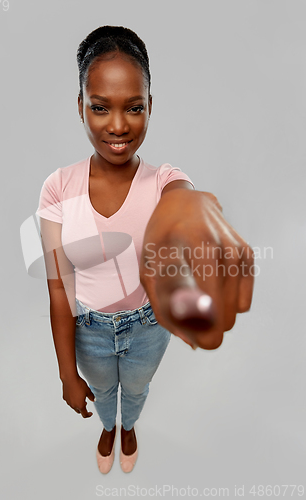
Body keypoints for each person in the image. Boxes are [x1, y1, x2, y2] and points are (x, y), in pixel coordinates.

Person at [36, 25, 254, 474]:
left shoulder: (162, 181)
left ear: (150, 107)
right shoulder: (58, 189)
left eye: (134, 107)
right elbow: (59, 289)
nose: (118, 125)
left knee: (134, 390)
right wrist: (65, 375)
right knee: (103, 392)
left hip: (149, 326)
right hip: (89, 330)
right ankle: (108, 426)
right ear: (81, 108)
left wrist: (189, 208)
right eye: (100, 107)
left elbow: (182, 192)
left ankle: (128, 427)